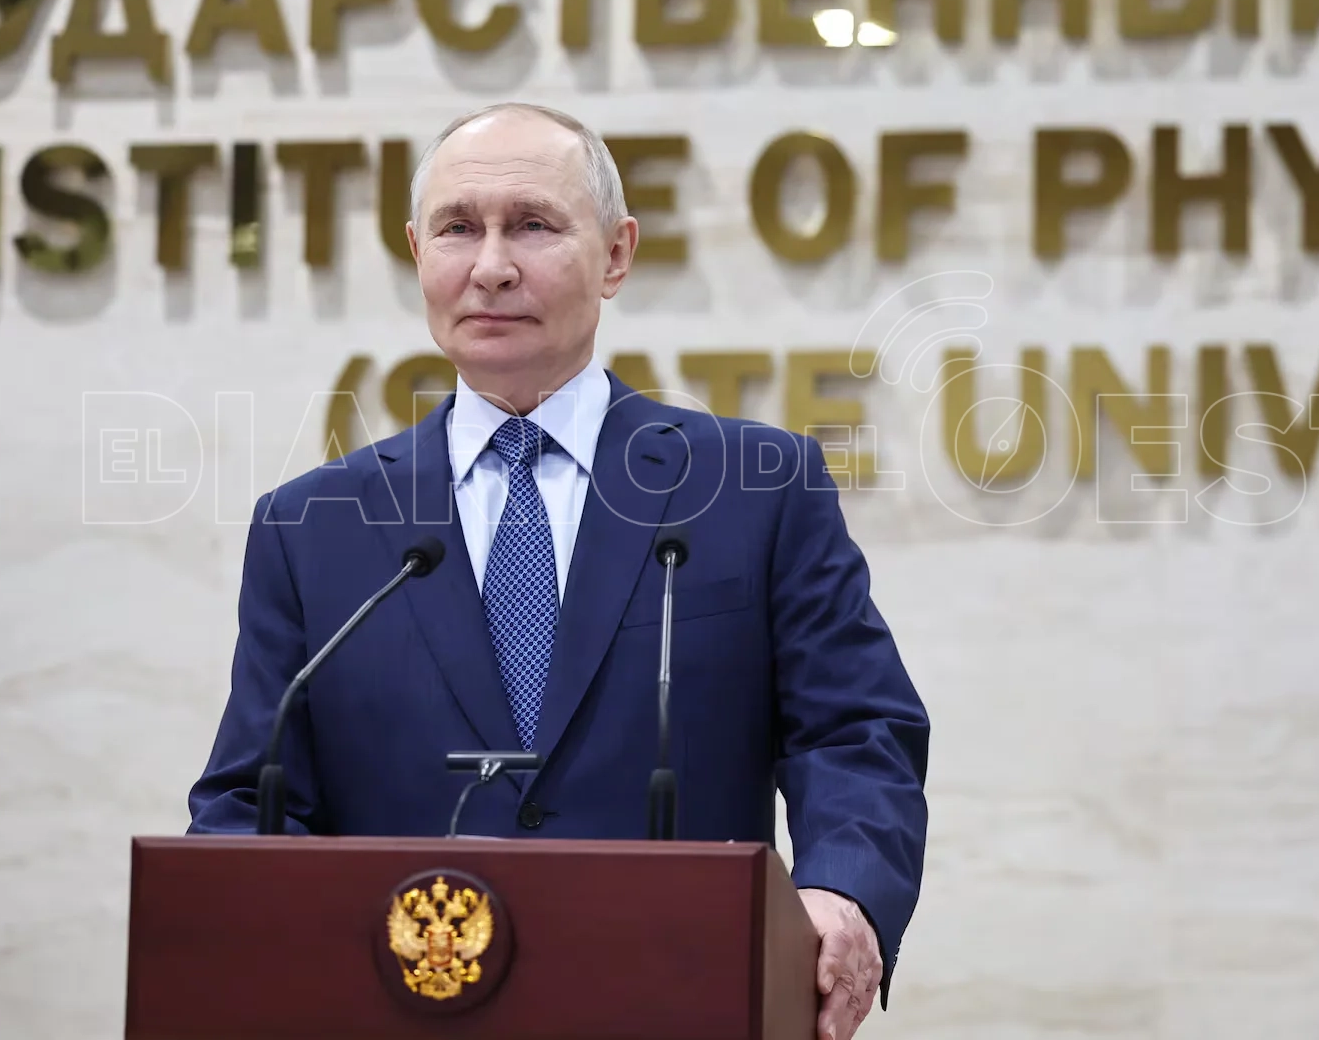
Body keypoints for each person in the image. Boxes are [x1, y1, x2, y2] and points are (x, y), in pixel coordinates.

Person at [188, 103, 931, 1040]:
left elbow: (856, 730)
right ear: (417, 252)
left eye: (533, 225)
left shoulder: (754, 487)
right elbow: (252, 795)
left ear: (616, 255)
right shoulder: (313, 526)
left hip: (680, 1001)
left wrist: (843, 892)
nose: (491, 265)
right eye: (459, 228)